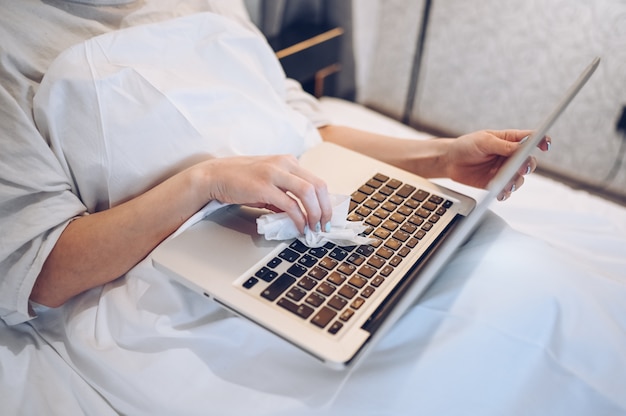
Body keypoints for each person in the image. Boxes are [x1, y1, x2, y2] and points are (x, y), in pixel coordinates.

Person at [5, 1, 618, 416]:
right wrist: (204, 183)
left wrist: (439, 158)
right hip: (179, 287)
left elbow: (304, 126)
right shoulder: (12, 42)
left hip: (322, 208)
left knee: (541, 291)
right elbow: (42, 270)